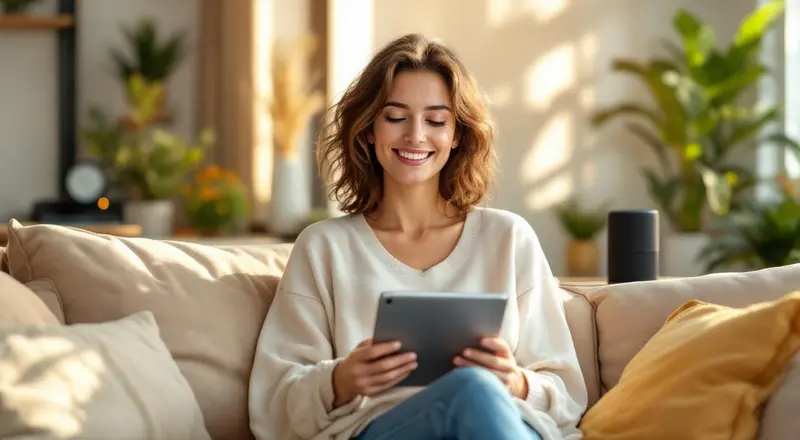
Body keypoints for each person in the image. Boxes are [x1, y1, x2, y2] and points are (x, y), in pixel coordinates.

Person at [249, 33, 588, 440]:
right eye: (395, 117)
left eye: (436, 120)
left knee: (477, 391)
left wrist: (514, 382)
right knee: (470, 390)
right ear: (369, 128)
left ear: (457, 134)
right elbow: (273, 403)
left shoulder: (508, 238)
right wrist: (341, 380)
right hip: (382, 429)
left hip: (497, 424)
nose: (415, 135)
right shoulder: (324, 247)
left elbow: (567, 393)